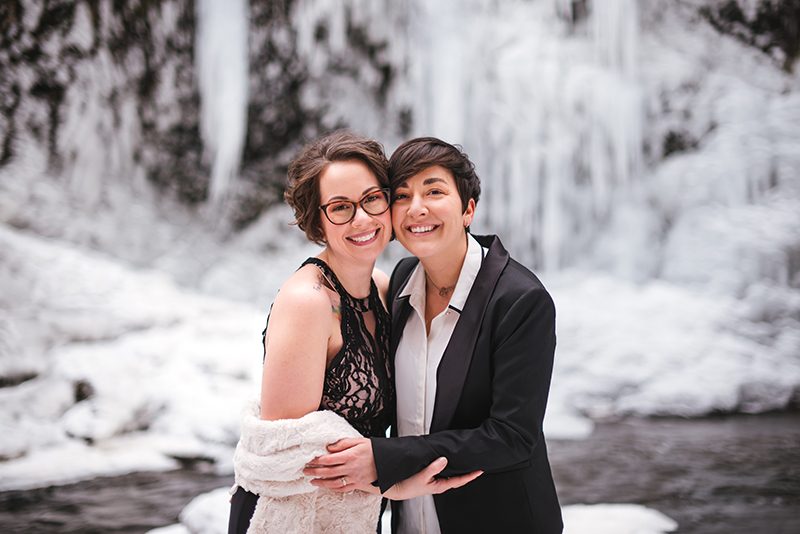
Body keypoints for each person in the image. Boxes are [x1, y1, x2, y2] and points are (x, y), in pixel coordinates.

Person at [304, 137, 563, 533]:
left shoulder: (520, 300)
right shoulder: (402, 281)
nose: (417, 208)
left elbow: (512, 436)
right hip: (410, 519)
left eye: (435, 191)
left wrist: (384, 457)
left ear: (468, 209)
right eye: (403, 195)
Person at [228, 131, 480, 534]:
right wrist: (392, 486)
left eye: (371, 199)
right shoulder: (309, 301)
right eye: (341, 208)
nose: (362, 219)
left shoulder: (383, 288)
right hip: (287, 519)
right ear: (318, 221)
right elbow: (279, 454)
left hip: (346, 516)